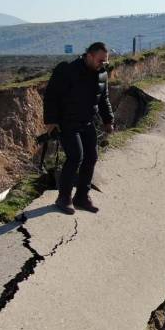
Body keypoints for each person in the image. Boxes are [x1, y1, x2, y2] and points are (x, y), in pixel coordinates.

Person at [42, 42, 115, 214]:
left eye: (105, 61)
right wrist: (51, 121)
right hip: (67, 122)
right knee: (75, 156)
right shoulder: (67, 70)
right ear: (89, 56)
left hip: (87, 122)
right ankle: (64, 198)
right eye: (100, 60)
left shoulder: (102, 74)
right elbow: (51, 96)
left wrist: (108, 120)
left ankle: (82, 196)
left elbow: (103, 99)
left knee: (91, 157)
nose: (103, 64)